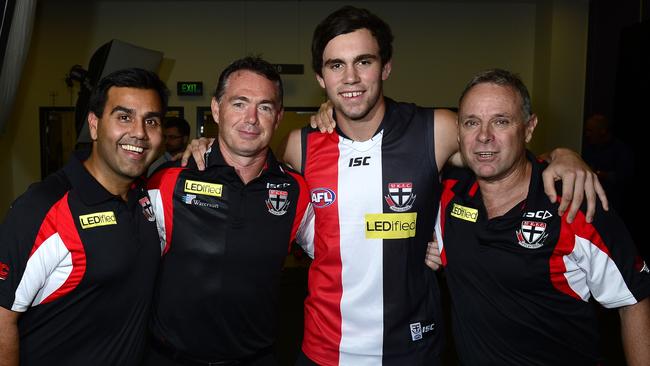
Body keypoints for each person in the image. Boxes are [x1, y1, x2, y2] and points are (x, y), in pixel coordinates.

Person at [184, 6, 606, 365]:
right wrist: (207, 144)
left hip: (414, 347)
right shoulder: (301, 144)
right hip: (323, 347)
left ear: (385, 67)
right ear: (321, 79)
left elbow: (498, 150)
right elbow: (251, 173)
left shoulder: (435, 129)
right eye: (336, 65)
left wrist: (562, 155)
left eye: (363, 62)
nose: (350, 78)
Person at [428, 69, 650, 365]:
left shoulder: (574, 204)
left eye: (501, 121)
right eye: (472, 123)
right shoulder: (446, 195)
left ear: (529, 128)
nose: (484, 136)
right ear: (458, 132)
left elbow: (634, 299)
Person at [143, 56, 312, 366]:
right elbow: (124, 268)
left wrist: (420, 243)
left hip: (256, 358)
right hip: (170, 358)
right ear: (217, 109)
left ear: (278, 117)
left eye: (264, 107)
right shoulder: (169, 181)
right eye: (239, 103)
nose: (251, 119)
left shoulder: (297, 192)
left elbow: (342, 252)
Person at [0, 68, 168, 365]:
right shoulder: (44, 207)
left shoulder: (149, 199)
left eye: (151, 121)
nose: (140, 133)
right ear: (94, 125)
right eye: (124, 117)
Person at [582, 113, 634, 211]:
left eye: (590, 131)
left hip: (614, 203)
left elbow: (625, 176)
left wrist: (600, 174)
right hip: (592, 202)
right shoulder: (589, 148)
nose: (587, 134)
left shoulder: (621, 150)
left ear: (603, 131)